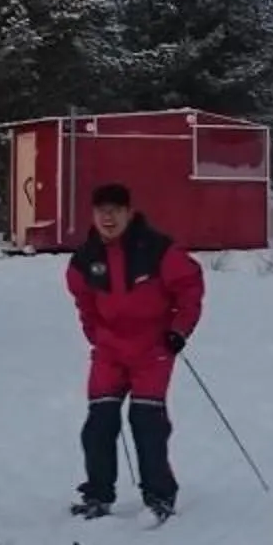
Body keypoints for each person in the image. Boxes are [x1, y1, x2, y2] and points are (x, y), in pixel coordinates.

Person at [66, 181, 207, 519]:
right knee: (99, 425)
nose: (108, 218)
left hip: (152, 350)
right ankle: (98, 495)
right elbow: (83, 301)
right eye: (102, 212)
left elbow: (190, 288)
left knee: (147, 423)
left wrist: (178, 331)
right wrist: (95, 336)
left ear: (129, 213)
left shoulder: (158, 250)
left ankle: (159, 496)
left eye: (115, 211)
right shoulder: (84, 259)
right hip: (109, 352)